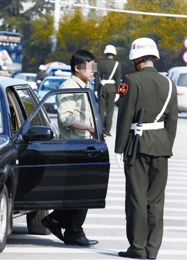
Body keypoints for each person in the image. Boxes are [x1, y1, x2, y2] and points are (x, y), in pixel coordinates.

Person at [114, 38, 178, 259]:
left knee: (136, 198)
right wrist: (166, 145)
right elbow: (172, 121)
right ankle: (152, 249)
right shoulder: (170, 84)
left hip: (137, 145)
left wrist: (118, 148)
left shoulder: (130, 81)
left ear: (135, 58)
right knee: (156, 200)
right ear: (155, 57)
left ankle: (138, 247)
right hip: (161, 146)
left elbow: (124, 116)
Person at [41, 50, 99, 247]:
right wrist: (90, 128)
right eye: (90, 67)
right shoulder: (68, 87)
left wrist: (97, 130)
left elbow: (86, 116)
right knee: (83, 191)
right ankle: (71, 229)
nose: (93, 71)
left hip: (86, 144)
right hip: (74, 145)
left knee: (83, 191)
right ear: (77, 68)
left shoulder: (84, 86)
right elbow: (67, 119)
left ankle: (61, 222)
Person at [96, 44, 121, 136]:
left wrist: (95, 90)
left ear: (105, 53)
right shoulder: (117, 64)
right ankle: (107, 131)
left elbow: (97, 77)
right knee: (110, 110)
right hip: (112, 89)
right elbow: (118, 79)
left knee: (101, 110)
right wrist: (118, 92)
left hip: (102, 88)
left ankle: (100, 129)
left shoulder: (98, 63)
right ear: (114, 54)